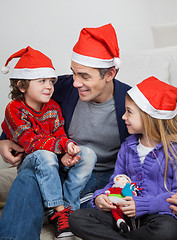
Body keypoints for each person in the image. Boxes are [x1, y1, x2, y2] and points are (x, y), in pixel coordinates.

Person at [0, 46, 97, 238]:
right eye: (42, 81)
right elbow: (30, 142)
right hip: (33, 160)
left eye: (51, 81)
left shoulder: (52, 106)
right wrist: (60, 147)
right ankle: (57, 209)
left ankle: (68, 209)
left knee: (88, 154)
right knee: (44, 155)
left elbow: (59, 133)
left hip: (54, 159)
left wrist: (68, 151)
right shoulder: (14, 109)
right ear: (21, 85)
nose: (49, 86)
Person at [69, 76, 177, 240]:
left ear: (148, 117)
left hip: (157, 215)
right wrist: (100, 196)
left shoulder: (173, 151)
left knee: (168, 230)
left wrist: (143, 205)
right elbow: (116, 181)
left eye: (129, 112)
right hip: (122, 214)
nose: (123, 117)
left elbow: (175, 197)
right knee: (77, 218)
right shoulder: (128, 146)